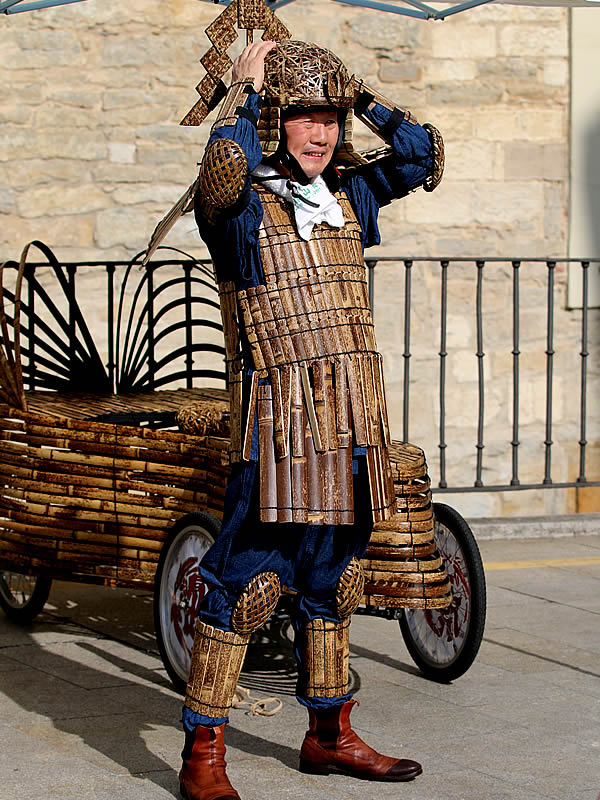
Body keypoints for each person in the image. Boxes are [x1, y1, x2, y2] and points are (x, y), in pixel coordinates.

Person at [177, 37, 446, 800]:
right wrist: (242, 91)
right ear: (275, 120)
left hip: (353, 411)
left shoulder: (351, 194)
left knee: (342, 576)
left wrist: (361, 95)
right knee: (245, 581)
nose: (322, 134)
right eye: (304, 117)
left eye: (331, 118)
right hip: (277, 422)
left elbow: (422, 153)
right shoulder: (236, 207)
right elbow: (222, 170)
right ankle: (205, 753)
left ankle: (330, 735)